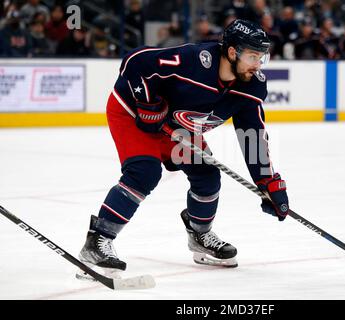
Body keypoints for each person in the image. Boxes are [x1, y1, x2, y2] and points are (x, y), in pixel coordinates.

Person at [77, 19, 290, 280]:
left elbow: (252, 135)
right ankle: (97, 242)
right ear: (232, 52)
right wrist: (148, 104)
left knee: (207, 175)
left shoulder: (252, 85)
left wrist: (267, 181)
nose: (258, 65)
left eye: (262, 57)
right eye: (253, 56)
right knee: (144, 172)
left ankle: (199, 234)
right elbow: (136, 61)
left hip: (178, 127)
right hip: (133, 114)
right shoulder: (194, 61)